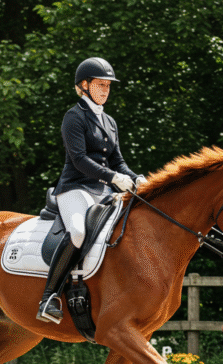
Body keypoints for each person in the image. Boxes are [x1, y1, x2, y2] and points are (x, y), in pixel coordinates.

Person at [37, 57, 146, 323]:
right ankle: (49, 297)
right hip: (75, 188)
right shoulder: (74, 117)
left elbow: (118, 161)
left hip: (104, 192)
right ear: (84, 86)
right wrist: (114, 177)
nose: (106, 90)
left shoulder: (109, 121)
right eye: (100, 85)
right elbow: (79, 159)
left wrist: (137, 178)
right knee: (78, 231)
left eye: (108, 86)